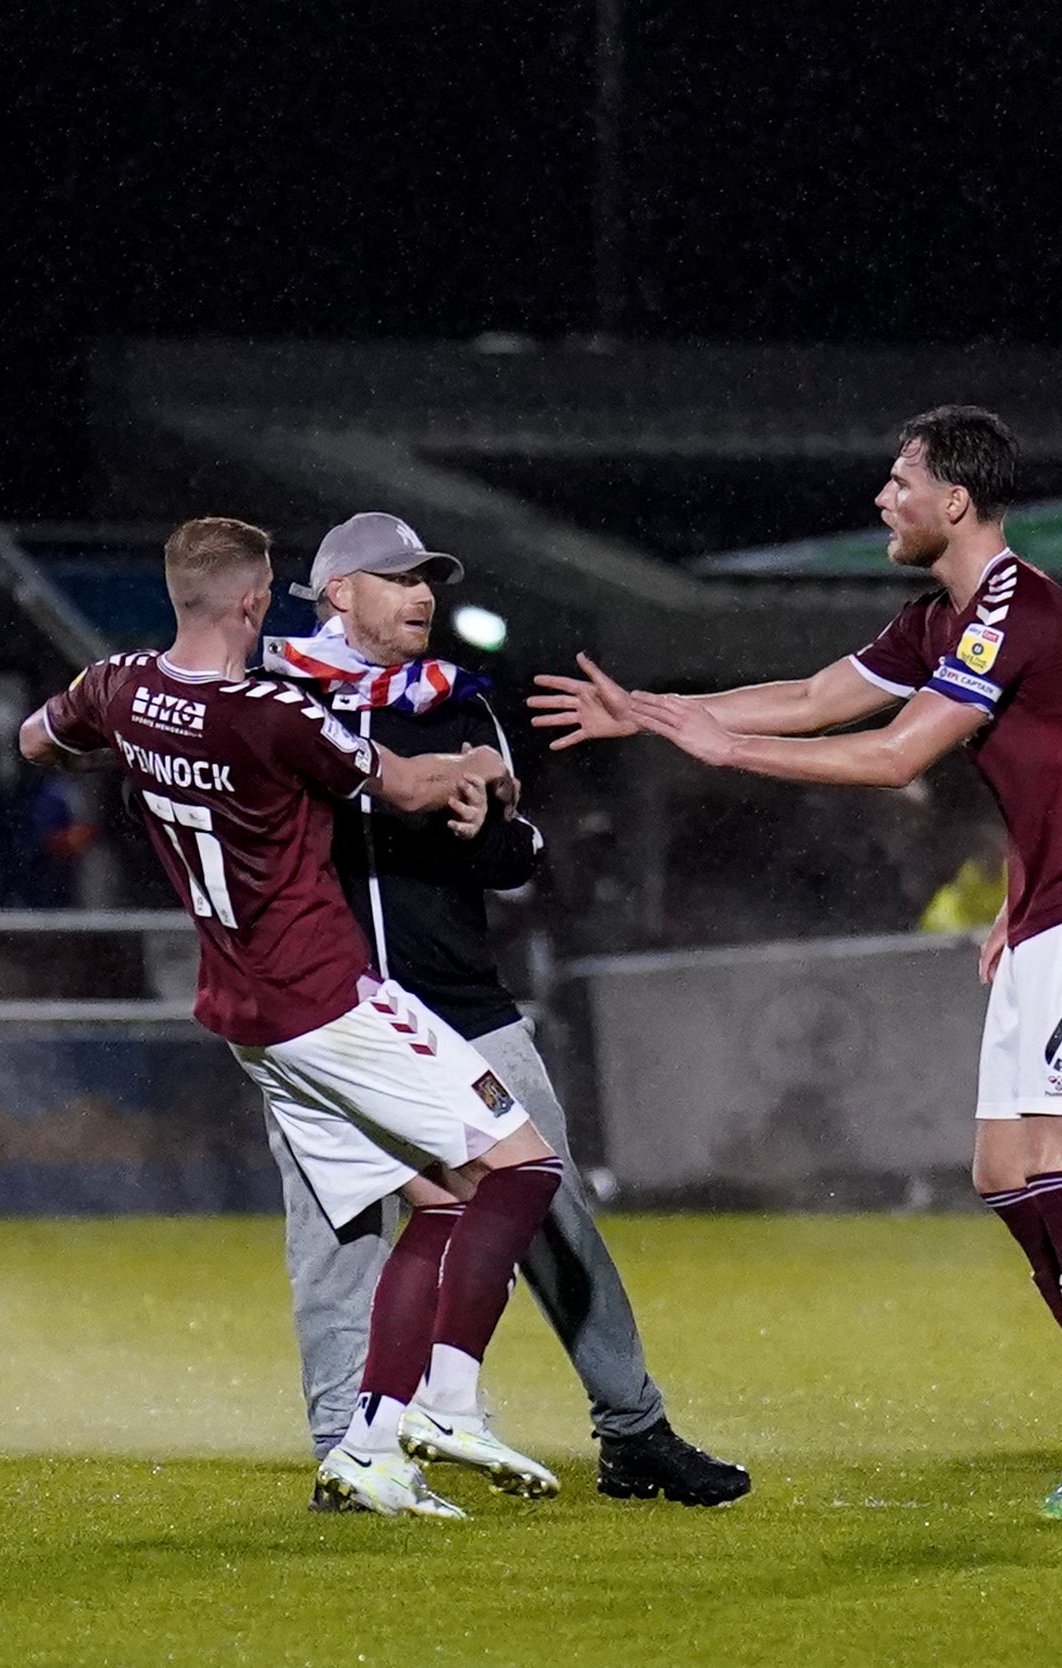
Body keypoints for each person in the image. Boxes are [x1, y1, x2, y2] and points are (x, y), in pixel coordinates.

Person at [532, 406, 1062, 1520]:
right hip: (1038, 917)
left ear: (954, 502)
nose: (881, 499)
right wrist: (648, 713)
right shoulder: (938, 619)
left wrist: (731, 751)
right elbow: (813, 698)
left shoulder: (1016, 606)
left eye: (898, 481)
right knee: (1002, 1177)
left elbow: (892, 756)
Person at [19, 516, 566, 1520]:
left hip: (240, 1015)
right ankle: (440, 1404)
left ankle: (366, 1448)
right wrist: (480, 773)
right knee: (523, 1168)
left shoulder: (120, 684)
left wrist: (139, 770)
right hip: (325, 999)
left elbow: (36, 742)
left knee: (440, 1205)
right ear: (254, 603)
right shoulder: (273, 715)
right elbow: (405, 786)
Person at [259, 510, 750, 1506]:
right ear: (339, 593)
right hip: (326, 1017)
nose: (422, 596)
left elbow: (520, 860)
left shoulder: (456, 704)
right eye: (398, 579)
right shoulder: (274, 704)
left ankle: (633, 1430)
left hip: (461, 1005)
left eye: (427, 578)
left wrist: (488, 826)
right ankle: (346, 1452)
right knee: (339, 1238)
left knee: (550, 1212)